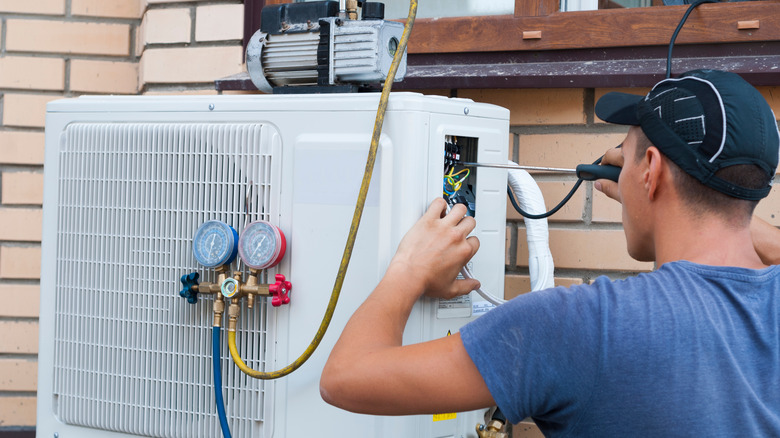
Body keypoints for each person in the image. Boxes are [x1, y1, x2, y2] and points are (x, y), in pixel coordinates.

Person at [320, 69, 780, 436]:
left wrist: (409, 268)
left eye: (632, 157)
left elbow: (345, 378)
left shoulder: (579, 327)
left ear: (652, 170)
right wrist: (676, 200)